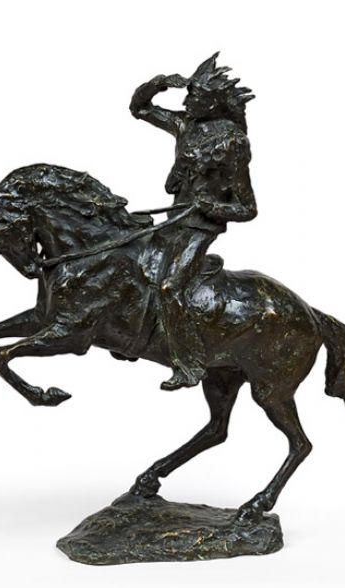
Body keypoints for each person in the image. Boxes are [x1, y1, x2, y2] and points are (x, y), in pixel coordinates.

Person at [130, 53, 257, 390]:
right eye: (188, 95)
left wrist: (210, 206)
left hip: (199, 229)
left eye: (195, 97)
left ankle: (189, 363)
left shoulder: (233, 143)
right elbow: (139, 108)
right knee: (130, 261)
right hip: (173, 222)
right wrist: (159, 83)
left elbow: (248, 208)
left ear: (214, 103)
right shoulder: (186, 126)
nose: (187, 103)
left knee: (171, 288)